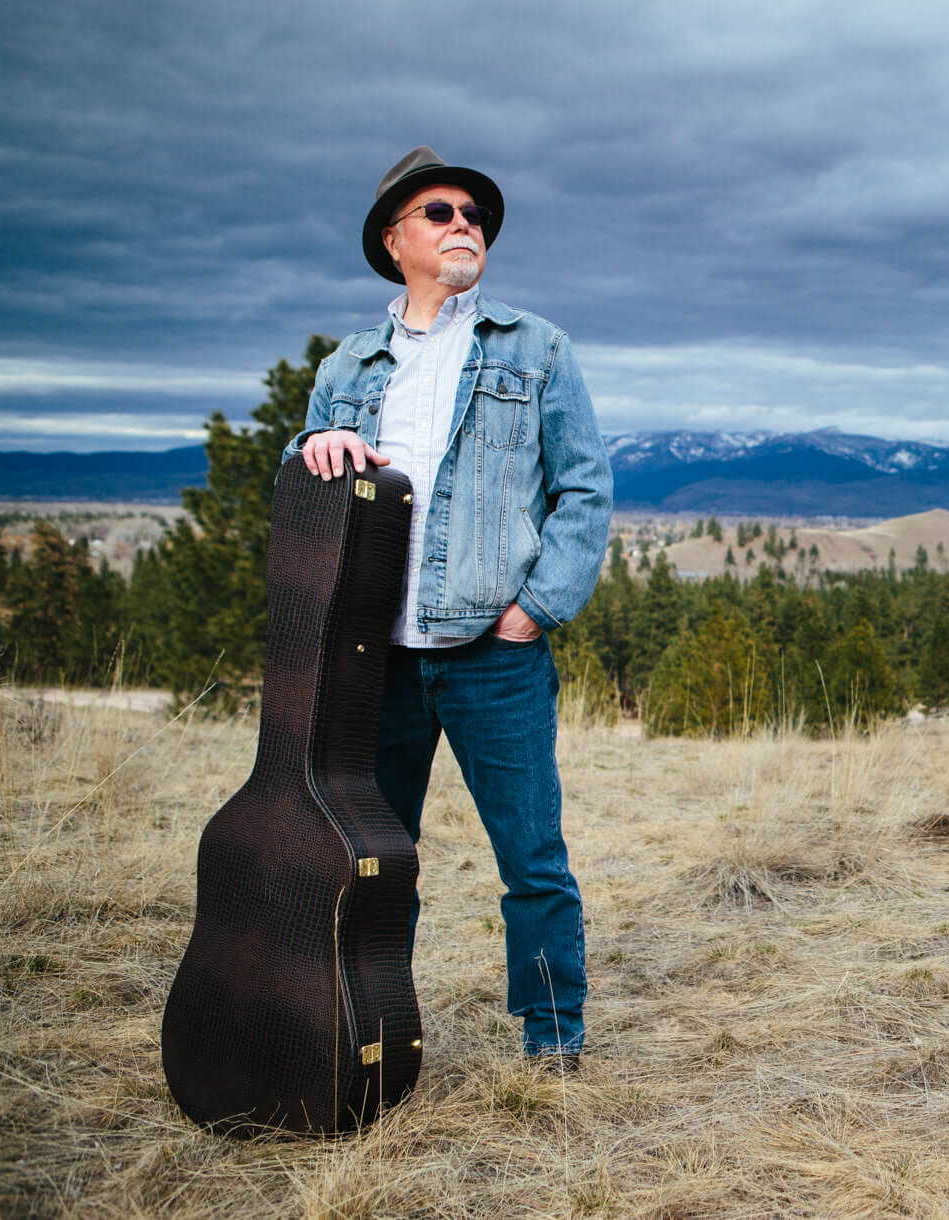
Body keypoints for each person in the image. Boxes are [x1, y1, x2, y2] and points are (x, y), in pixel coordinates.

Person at [283, 147, 611, 1071]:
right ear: (395, 241)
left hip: (493, 653)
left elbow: (584, 491)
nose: (463, 222)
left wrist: (536, 609)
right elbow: (303, 474)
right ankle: (369, 1035)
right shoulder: (349, 364)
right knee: (374, 863)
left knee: (532, 860)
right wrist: (319, 438)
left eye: (473, 213)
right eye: (439, 211)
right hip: (371, 660)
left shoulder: (536, 348)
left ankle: (554, 1041)